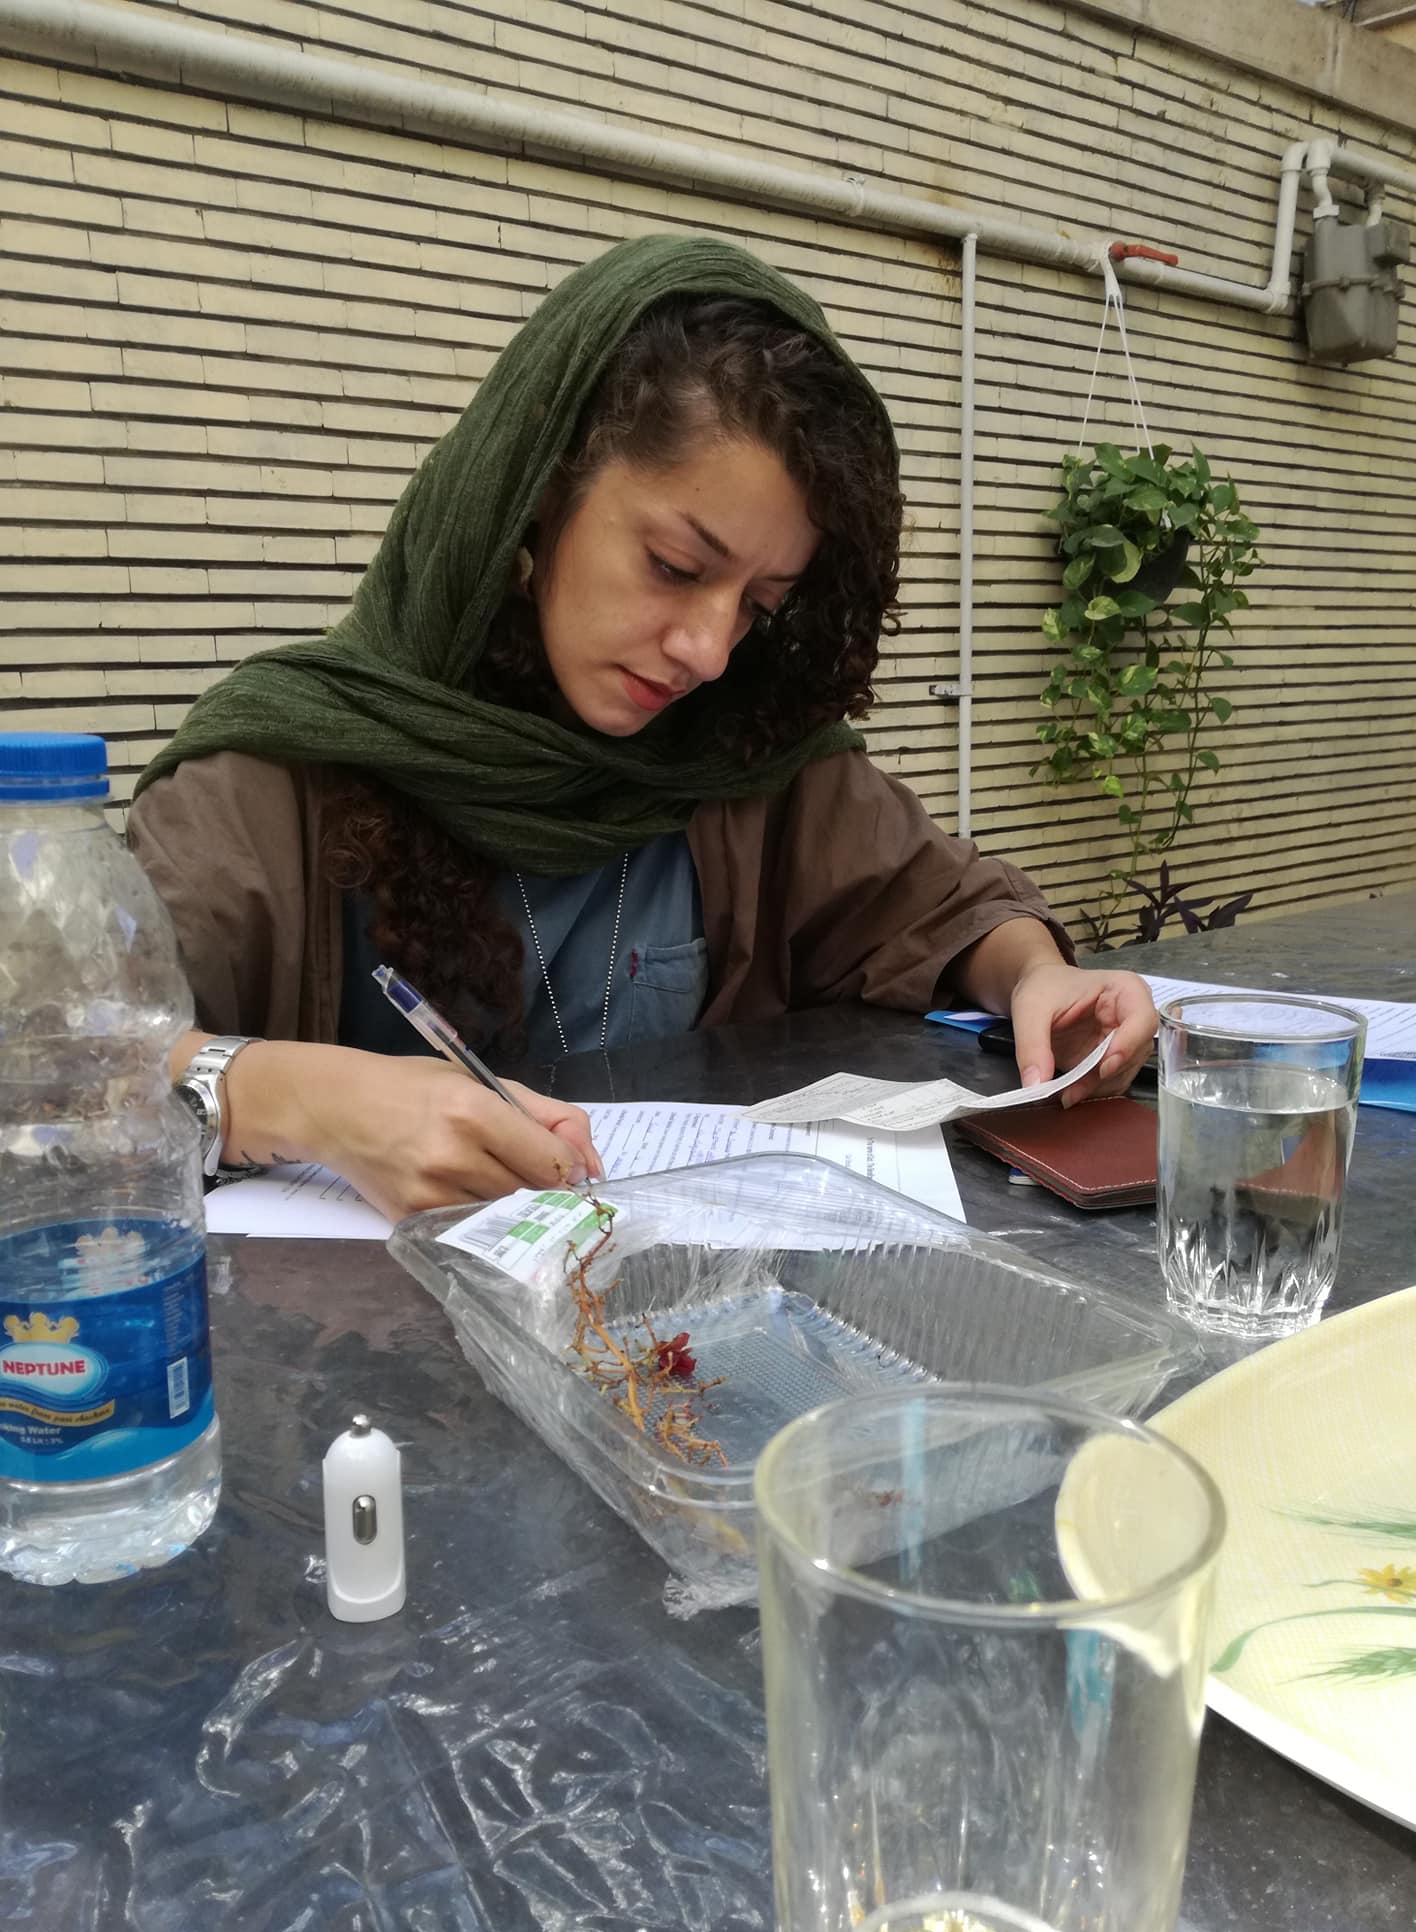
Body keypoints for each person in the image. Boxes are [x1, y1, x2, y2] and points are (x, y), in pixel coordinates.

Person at [129, 234, 1156, 1221]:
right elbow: (74, 1051)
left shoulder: (745, 760)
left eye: (756, 605)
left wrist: (1038, 973)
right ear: (538, 493)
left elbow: (943, 901)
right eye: (674, 566)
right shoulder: (270, 779)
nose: (707, 651)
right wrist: (300, 1097)